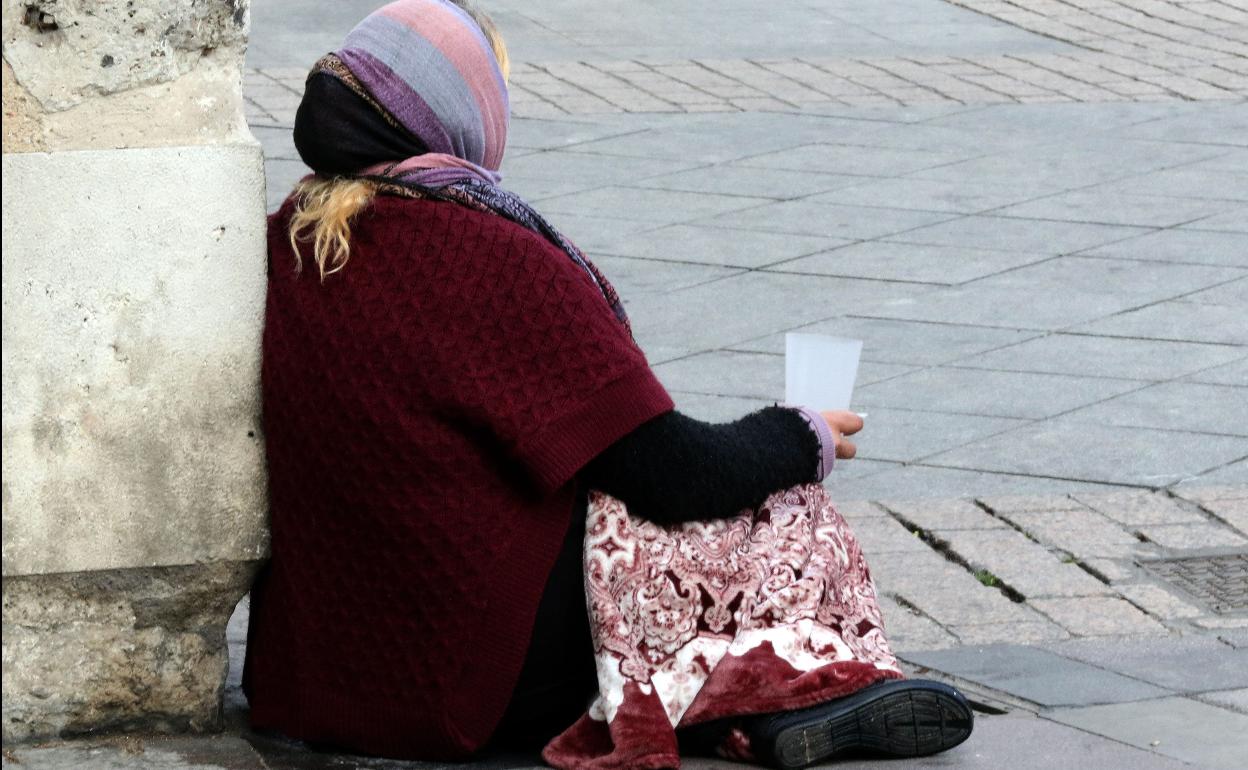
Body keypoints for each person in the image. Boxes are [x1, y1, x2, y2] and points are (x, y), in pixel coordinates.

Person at [241, 1, 974, 768]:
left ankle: (758, 717)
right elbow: (675, 473)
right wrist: (804, 435)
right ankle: (804, 686)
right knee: (786, 514)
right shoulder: (483, 254)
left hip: (319, 682)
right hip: (476, 682)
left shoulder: (286, 237)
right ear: (462, 113)